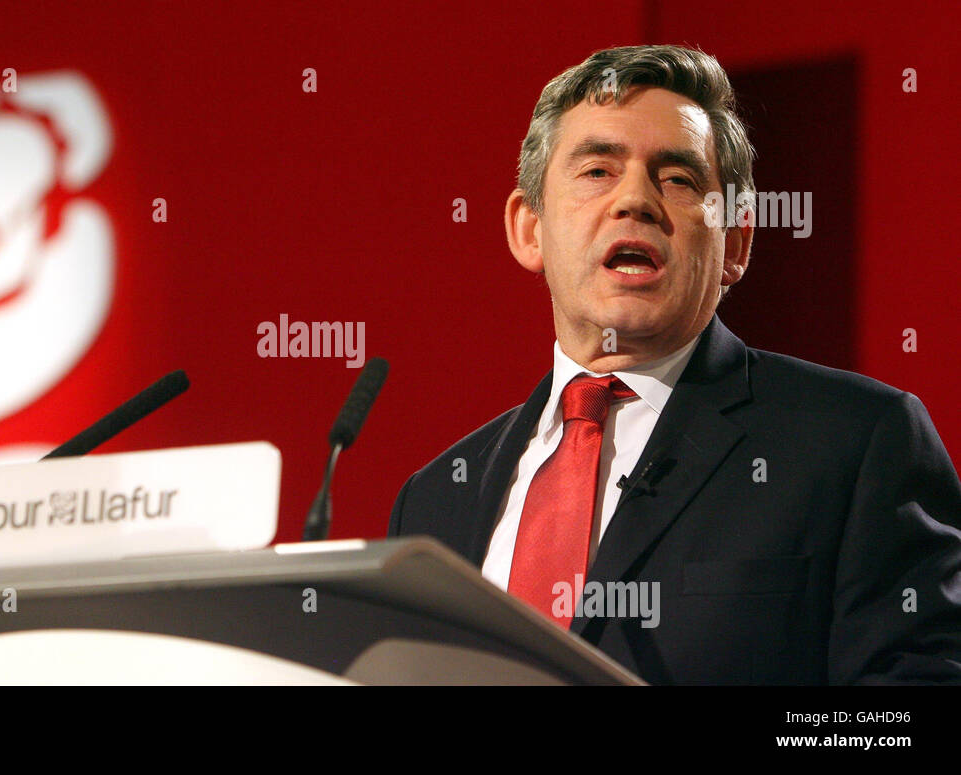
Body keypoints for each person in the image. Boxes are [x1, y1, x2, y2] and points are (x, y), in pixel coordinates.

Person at [387, 44, 961, 685]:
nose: (635, 201)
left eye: (679, 179)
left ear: (735, 244)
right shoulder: (433, 503)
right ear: (529, 229)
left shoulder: (857, 444)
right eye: (598, 171)